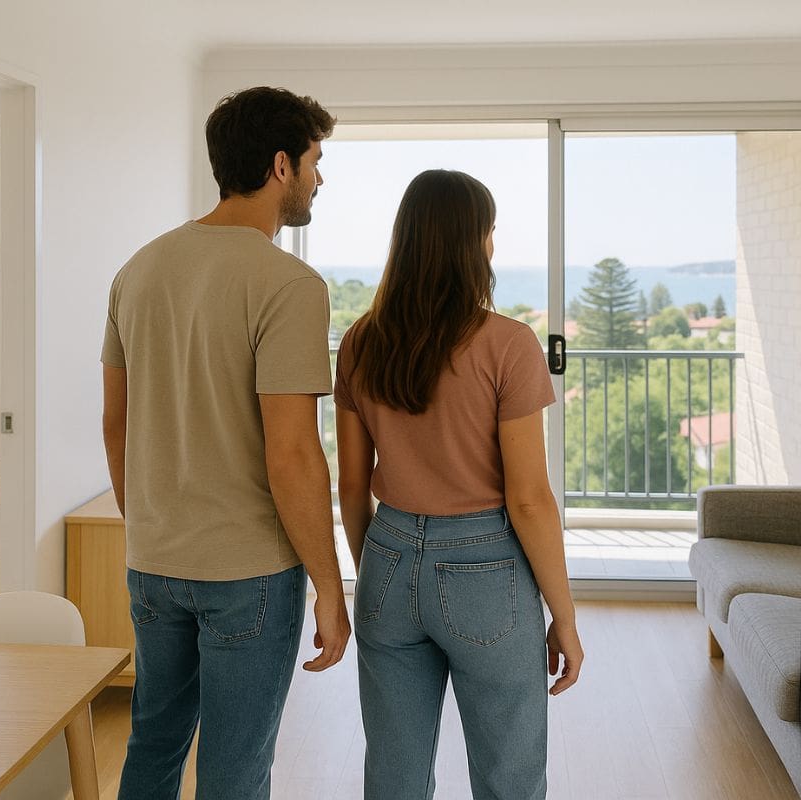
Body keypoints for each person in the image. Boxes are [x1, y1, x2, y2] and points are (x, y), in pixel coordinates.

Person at [101, 86, 350, 800]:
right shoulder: (289, 284)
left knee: (152, 742)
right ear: (281, 166)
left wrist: (147, 525)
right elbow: (294, 454)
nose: (319, 178)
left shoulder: (137, 271)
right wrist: (330, 587)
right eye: (315, 161)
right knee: (235, 770)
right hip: (249, 574)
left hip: (153, 560)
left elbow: (114, 422)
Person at [334, 169, 584, 800]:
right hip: (487, 572)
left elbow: (351, 482)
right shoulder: (508, 344)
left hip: (386, 558)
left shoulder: (363, 341)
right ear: (474, 243)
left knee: (394, 775)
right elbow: (528, 499)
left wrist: (378, 569)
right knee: (508, 777)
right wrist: (564, 614)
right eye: (491, 230)